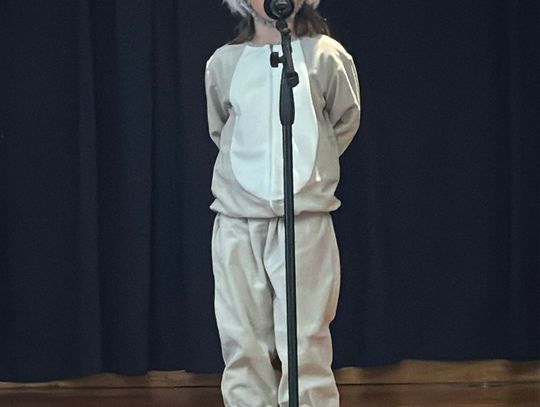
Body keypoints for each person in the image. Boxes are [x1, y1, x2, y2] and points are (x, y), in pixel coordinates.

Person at [204, 0, 361, 405]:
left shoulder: (325, 55)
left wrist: (313, 169)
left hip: (305, 218)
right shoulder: (224, 62)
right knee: (242, 337)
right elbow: (221, 128)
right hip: (238, 219)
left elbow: (344, 119)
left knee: (306, 337)